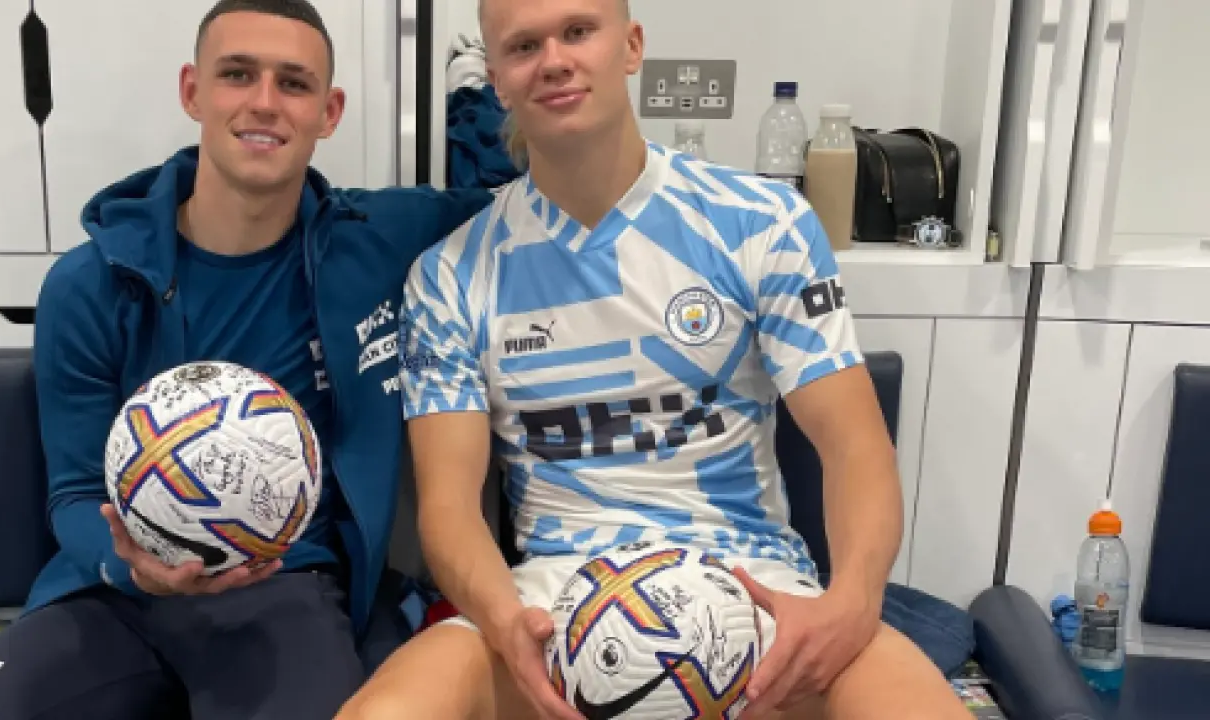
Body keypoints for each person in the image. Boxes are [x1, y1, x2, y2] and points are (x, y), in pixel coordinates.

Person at [336, 0, 972, 718]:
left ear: (632, 46)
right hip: (554, 605)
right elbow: (449, 509)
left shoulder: (762, 223)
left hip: (754, 595)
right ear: (498, 82)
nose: (554, 61)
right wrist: (506, 621)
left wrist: (851, 604)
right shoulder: (450, 275)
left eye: (578, 31)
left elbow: (857, 447)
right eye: (523, 46)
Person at [0, 1, 493, 719]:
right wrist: (132, 563)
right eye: (237, 74)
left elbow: (523, 201)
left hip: (285, 586)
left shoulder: (376, 239)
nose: (265, 102)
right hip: (109, 595)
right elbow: (73, 493)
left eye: (294, 83)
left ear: (329, 112)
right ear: (193, 91)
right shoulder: (88, 284)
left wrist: (496, 84)